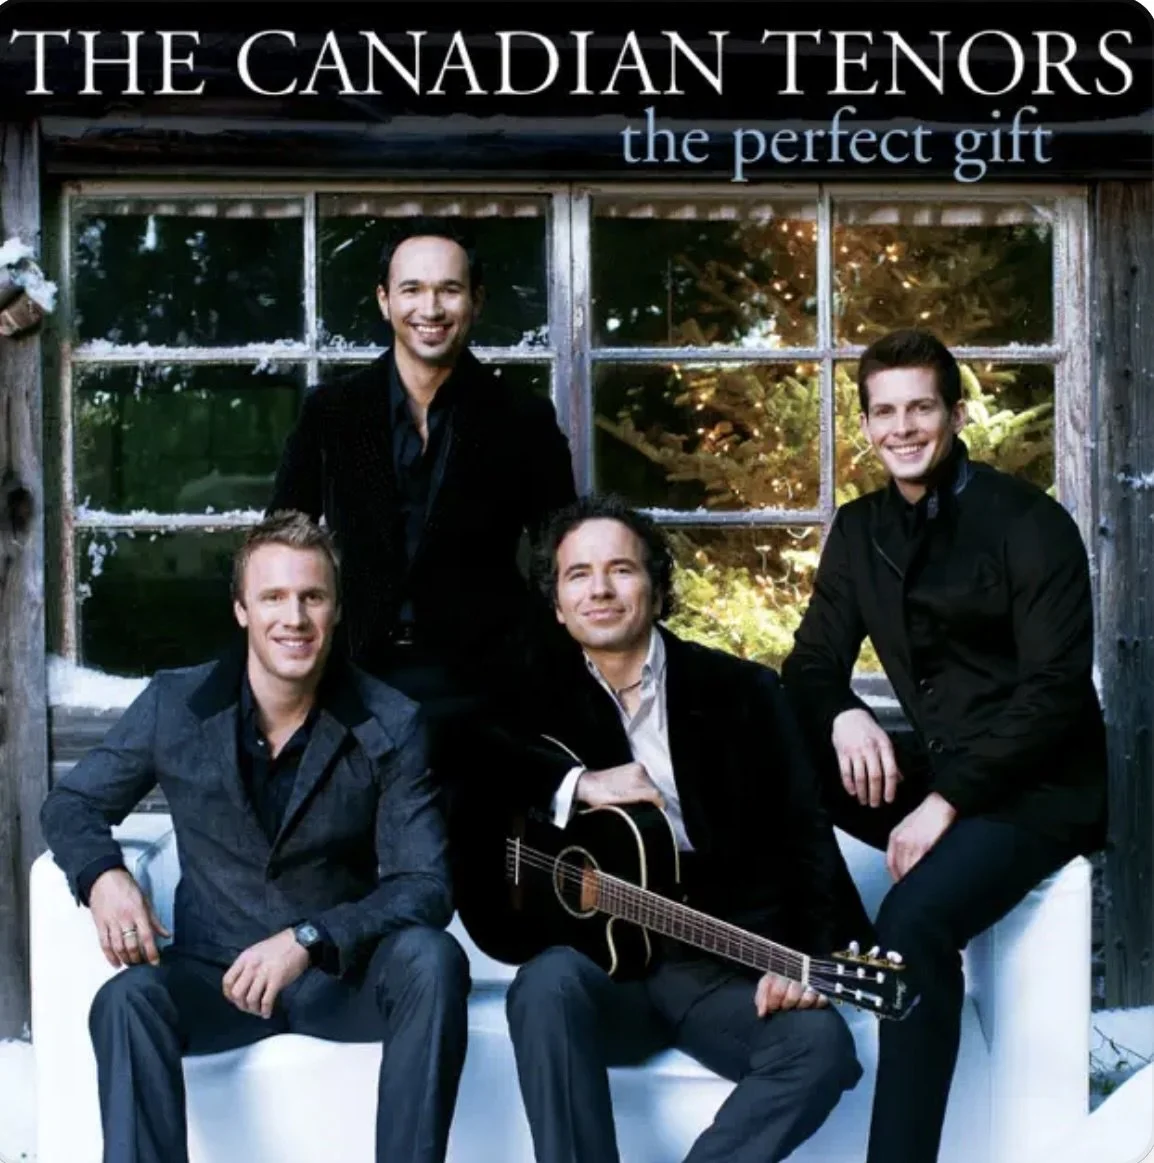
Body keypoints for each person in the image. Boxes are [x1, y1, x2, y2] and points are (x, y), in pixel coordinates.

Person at [40, 510, 469, 1163]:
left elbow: (425, 885)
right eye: (273, 596)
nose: (293, 617)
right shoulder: (174, 704)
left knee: (433, 960)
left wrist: (310, 939)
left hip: (338, 976)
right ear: (242, 609)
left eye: (312, 597)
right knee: (125, 1001)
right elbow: (72, 802)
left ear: (336, 610)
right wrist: (104, 874)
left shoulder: (392, 719)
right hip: (214, 974)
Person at [780, 328, 1108, 1163]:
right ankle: (826, 941)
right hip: (938, 768)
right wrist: (843, 711)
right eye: (884, 411)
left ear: (956, 414)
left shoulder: (1030, 522)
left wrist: (944, 801)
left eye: (920, 407)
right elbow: (809, 665)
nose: (903, 427)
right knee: (779, 742)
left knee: (915, 917)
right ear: (866, 424)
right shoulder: (860, 529)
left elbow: (1054, 693)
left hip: (1038, 787)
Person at [483, 494, 863, 1163]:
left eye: (621, 569)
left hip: (718, 961)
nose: (600, 589)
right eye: (578, 574)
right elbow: (468, 770)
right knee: (543, 985)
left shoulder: (743, 692)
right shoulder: (528, 697)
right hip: (603, 965)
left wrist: (807, 959)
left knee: (819, 1047)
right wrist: (577, 785)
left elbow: (806, 835)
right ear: (557, 603)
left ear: (657, 589)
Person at [266, 215, 577, 719]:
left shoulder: (525, 418)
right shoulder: (330, 411)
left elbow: (564, 557)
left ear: (476, 300)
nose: (430, 309)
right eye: (412, 289)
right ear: (384, 300)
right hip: (350, 679)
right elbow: (279, 544)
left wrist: (537, 662)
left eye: (449, 290)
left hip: (487, 689)